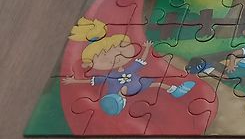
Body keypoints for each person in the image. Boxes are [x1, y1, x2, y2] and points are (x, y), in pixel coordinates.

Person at [63, 18, 194, 115]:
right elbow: (92, 80)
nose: (116, 57)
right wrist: (74, 81)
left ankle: (175, 91)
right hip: (121, 90)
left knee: (157, 84)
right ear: (90, 63)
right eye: (106, 58)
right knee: (123, 89)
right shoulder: (109, 76)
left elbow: (140, 60)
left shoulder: (130, 69)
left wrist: (146, 48)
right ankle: (117, 101)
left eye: (120, 50)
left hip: (139, 84)